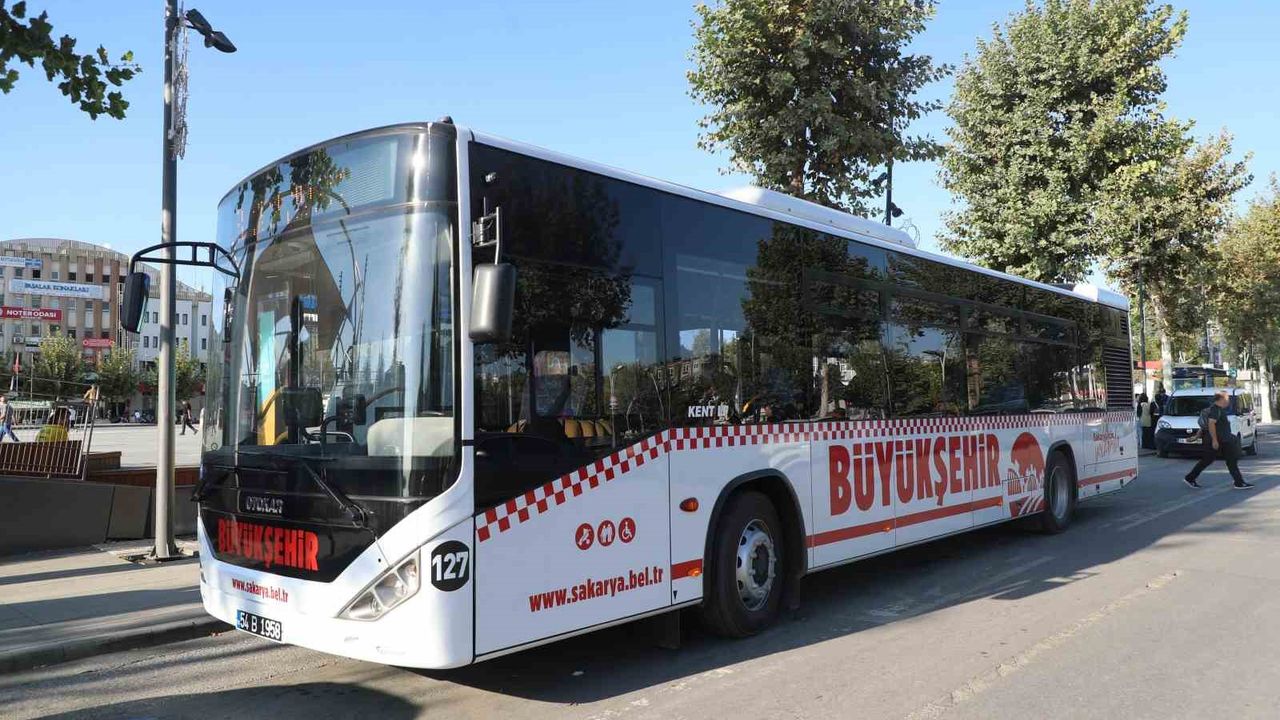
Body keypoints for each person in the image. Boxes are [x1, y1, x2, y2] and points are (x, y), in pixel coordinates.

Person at [1184, 391, 1254, 490]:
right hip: (1219, 440)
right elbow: (1211, 424)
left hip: (1224, 440)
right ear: (1221, 399)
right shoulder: (1215, 410)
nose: (1228, 401)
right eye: (1227, 399)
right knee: (1208, 460)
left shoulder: (1217, 410)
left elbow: (1205, 426)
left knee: (1230, 460)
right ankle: (1190, 478)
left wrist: (1196, 436)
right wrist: (1214, 440)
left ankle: (1239, 482)